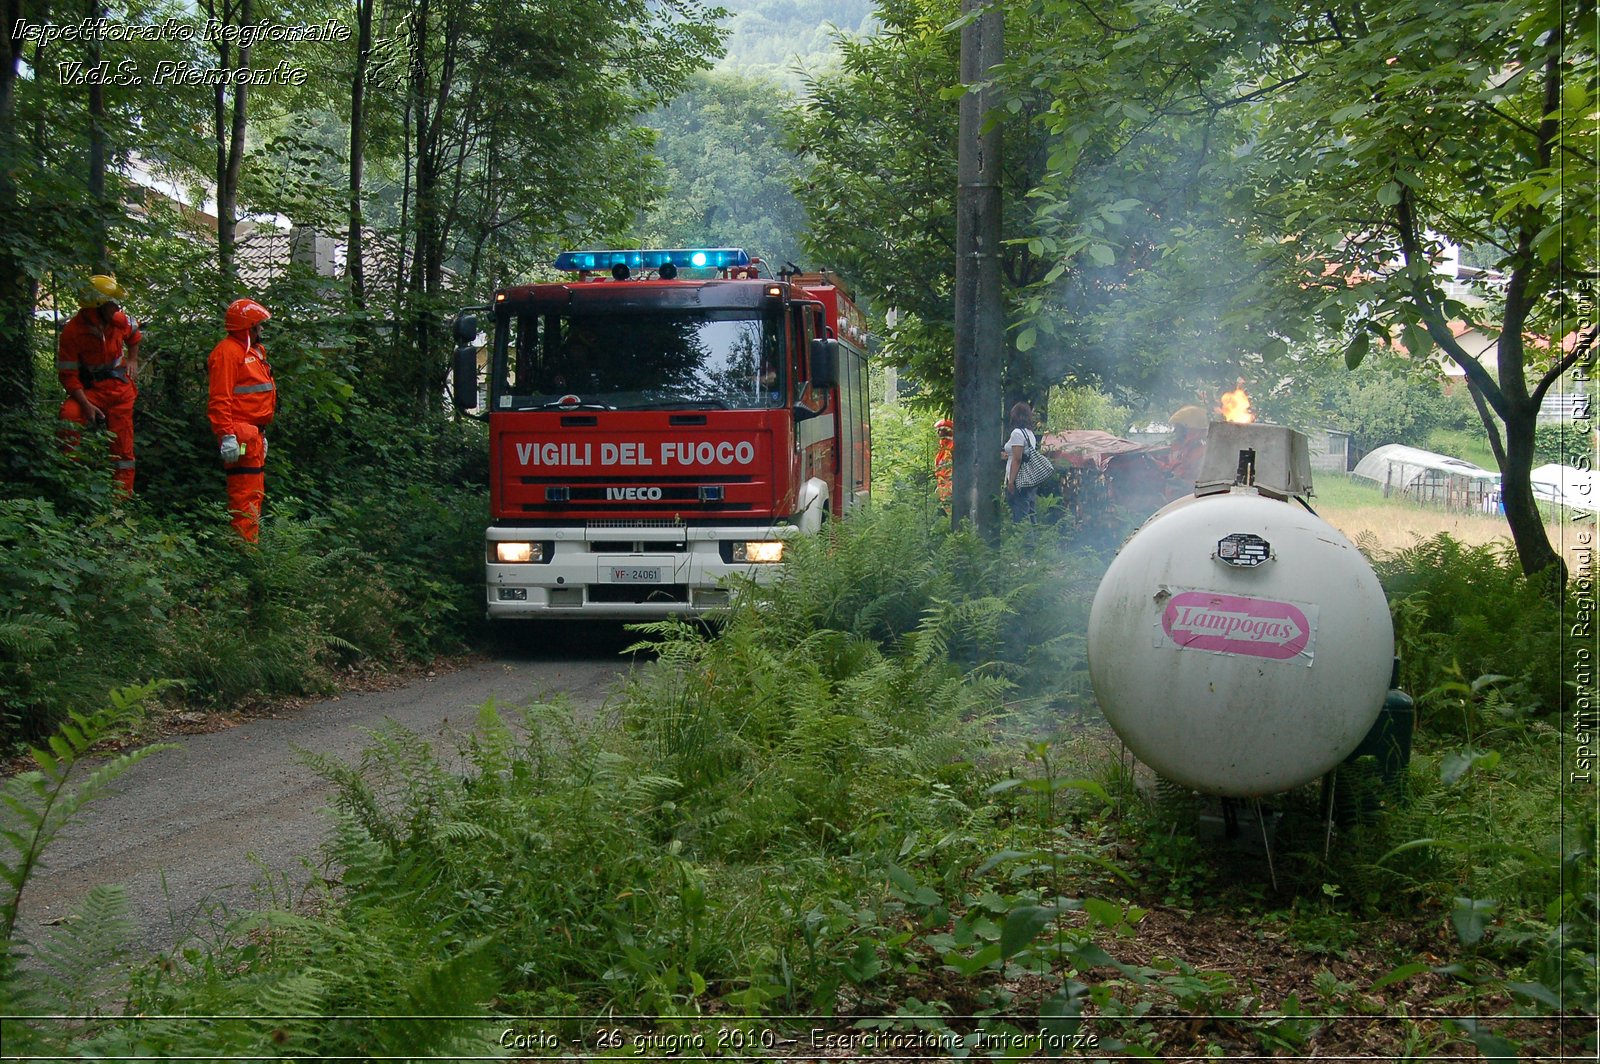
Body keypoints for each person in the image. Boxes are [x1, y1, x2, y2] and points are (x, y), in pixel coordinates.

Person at [57, 273, 143, 494]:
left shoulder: (118, 320)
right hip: (91, 391)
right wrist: (86, 405)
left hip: (119, 391)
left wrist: (132, 359)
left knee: (123, 447)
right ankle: (70, 481)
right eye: (111, 303)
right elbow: (68, 375)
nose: (116, 307)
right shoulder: (72, 332)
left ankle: (121, 499)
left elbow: (134, 333)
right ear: (97, 307)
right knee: (69, 415)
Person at [207, 298, 277, 542]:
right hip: (240, 435)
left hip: (253, 434)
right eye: (258, 325)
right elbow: (220, 399)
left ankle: (248, 547)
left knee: (254, 495)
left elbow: (255, 400)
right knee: (244, 496)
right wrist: (226, 435)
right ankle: (244, 552)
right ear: (247, 327)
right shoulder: (227, 353)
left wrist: (262, 434)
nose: (262, 330)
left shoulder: (255, 352)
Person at [1003, 401, 1040, 523]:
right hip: (1029, 479)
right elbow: (1022, 454)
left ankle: (1024, 541)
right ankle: (1032, 540)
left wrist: (1011, 482)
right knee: (1029, 514)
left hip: (1019, 480)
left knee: (1020, 516)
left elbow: (1017, 459)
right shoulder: (1029, 434)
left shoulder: (1017, 433)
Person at [933, 417, 954, 508]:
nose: (939, 433)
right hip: (942, 483)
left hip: (949, 484)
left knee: (949, 506)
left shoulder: (952, 446)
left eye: (941, 430)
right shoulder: (943, 448)